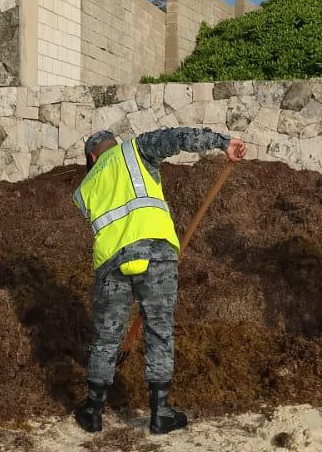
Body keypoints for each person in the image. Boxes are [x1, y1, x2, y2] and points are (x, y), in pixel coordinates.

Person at [73, 127, 248, 435]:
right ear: (115, 144)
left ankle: (93, 411)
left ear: (91, 157)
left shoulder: (85, 187)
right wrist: (222, 143)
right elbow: (179, 137)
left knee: (106, 336)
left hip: (111, 264)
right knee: (159, 330)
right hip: (155, 254)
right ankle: (160, 413)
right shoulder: (135, 150)